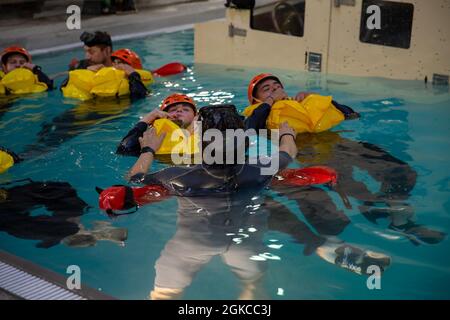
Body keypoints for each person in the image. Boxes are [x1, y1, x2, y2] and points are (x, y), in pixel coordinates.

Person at [0, 179, 127, 248]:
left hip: (6, 197)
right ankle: (77, 231)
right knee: (63, 228)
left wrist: (72, 217)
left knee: (59, 189)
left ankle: (76, 226)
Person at [245, 73, 359, 131]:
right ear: (255, 101)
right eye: (266, 89)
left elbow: (351, 115)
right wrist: (271, 99)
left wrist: (312, 97)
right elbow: (249, 130)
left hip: (331, 139)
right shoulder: (254, 116)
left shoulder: (299, 103)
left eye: (277, 86)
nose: (275, 89)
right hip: (299, 151)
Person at [62, 31, 148, 101]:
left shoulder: (125, 67)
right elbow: (64, 86)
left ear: (107, 50)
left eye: (91, 52)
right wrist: (85, 72)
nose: (87, 56)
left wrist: (133, 75)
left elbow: (140, 97)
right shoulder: (84, 65)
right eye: (86, 52)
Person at [117, 93, 197, 157]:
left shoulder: (204, 130)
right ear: (163, 116)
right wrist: (147, 118)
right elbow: (124, 150)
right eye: (173, 110)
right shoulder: (153, 136)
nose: (179, 110)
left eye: (186, 109)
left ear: (195, 116)